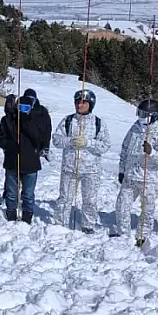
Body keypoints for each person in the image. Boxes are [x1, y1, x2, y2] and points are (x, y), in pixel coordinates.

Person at [112, 99, 158, 246]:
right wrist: (121, 170)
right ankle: (123, 233)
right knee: (121, 206)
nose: (141, 117)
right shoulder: (135, 128)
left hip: (148, 179)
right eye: (139, 113)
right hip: (130, 176)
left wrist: (151, 153)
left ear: (154, 116)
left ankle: (142, 236)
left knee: (147, 209)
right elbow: (125, 149)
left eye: (144, 114)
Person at [52, 89, 111, 232]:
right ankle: (61, 225)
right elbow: (56, 140)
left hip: (91, 171)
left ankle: (88, 225)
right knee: (65, 198)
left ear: (91, 104)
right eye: (78, 101)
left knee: (89, 200)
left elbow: (105, 145)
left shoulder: (98, 123)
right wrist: (70, 141)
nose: (80, 105)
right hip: (69, 168)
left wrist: (88, 143)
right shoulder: (67, 120)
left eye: (84, 102)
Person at [0, 89, 52, 223]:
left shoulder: (36, 119)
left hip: (30, 162)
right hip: (12, 161)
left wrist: (27, 124)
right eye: (21, 107)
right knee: (11, 192)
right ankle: (11, 214)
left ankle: (27, 215)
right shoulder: (7, 120)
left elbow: (40, 139)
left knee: (28, 193)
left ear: (31, 108)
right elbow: (1, 139)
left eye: (26, 108)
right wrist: (10, 145)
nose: (23, 110)